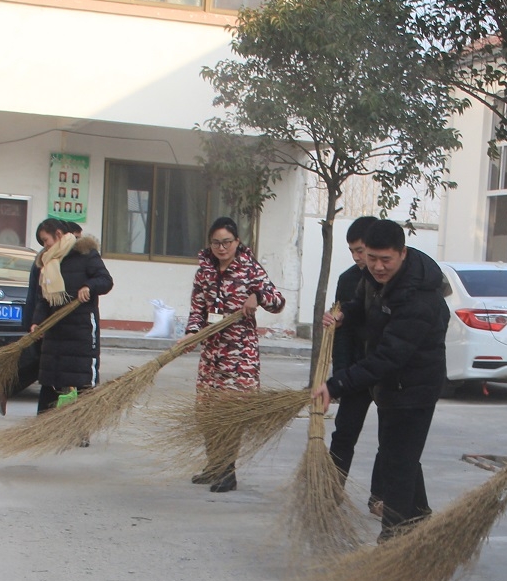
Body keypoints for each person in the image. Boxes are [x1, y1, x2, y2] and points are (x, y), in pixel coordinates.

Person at [312, 219, 448, 540]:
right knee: (398, 456)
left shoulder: (418, 296)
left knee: (398, 466)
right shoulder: (373, 278)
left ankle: (393, 541)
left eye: (385, 259)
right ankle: (420, 519)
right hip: (390, 386)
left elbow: (389, 357)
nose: (377, 266)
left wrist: (336, 384)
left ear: (402, 253)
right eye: (370, 258)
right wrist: (346, 313)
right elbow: (364, 303)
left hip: (415, 387)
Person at [185, 216, 286, 493]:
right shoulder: (204, 271)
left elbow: (277, 302)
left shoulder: (250, 269)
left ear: (237, 242)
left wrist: (258, 297)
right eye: (216, 243)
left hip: (240, 355)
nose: (221, 247)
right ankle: (214, 465)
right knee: (206, 411)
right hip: (212, 353)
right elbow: (197, 309)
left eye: (226, 242)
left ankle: (227, 471)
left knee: (230, 413)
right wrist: (192, 333)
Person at [19, 219, 113, 417]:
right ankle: (43, 426)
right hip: (55, 329)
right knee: (50, 378)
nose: (45, 246)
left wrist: (89, 287)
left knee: (82, 380)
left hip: (81, 329)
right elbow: (43, 298)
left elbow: (105, 280)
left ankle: (80, 429)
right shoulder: (48, 262)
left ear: (59, 234)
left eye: (46, 240)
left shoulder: (86, 254)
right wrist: (38, 322)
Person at [327, 216, 380, 511]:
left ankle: (380, 497)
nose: (358, 258)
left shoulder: (391, 279)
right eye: (353, 252)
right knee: (344, 431)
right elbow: (342, 331)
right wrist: (341, 375)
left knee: (390, 437)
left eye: (361, 250)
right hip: (356, 371)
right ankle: (332, 490)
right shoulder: (348, 280)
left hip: (385, 369)